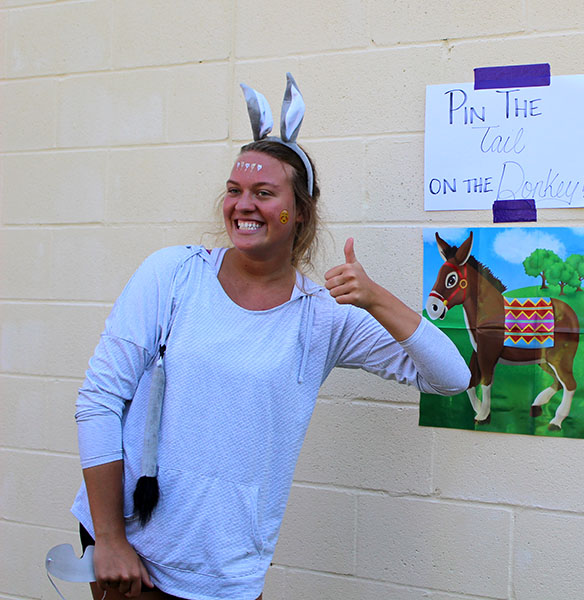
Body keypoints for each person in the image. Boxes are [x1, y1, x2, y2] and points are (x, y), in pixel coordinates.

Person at [70, 74, 469, 600]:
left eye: (263, 193)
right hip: (134, 558)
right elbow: (99, 400)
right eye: (234, 191)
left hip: (230, 572)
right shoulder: (172, 276)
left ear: (299, 211)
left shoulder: (322, 317)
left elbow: (452, 377)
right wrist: (110, 538)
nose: (244, 205)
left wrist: (376, 298)